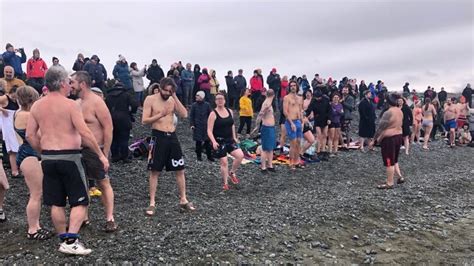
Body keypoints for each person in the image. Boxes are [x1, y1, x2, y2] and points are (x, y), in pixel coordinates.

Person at [26, 66, 109, 255]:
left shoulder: (37, 105)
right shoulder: (70, 105)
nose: (70, 86)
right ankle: (71, 241)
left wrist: (43, 151)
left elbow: (30, 135)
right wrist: (100, 154)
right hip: (70, 157)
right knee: (80, 201)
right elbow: (85, 132)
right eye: (69, 82)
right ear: (62, 83)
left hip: (48, 158)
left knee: (56, 202)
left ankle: (63, 239)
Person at [70, 71, 117, 232]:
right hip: (78, 150)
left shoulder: (97, 102)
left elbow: (108, 127)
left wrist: (105, 152)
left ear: (82, 84)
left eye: (73, 83)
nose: (71, 86)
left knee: (103, 183)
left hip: (97, 149)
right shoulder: (76, 103)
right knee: (81, 184)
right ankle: (84, 217)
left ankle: (110, 218)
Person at [142, 77, 195, 216]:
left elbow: (184, 114)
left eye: (170, 91)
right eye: (165, 90)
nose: (167, 93)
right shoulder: (150, 99)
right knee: (154, 171)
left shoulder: (172, 99)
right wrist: (160, 115)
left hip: (172, 136)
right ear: (160, 88)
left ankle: (183, 199)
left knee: (180, 169)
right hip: (157, 136)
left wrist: (175, 97)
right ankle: (152, 202)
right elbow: (144, 120)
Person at [14, 85, 53, 239]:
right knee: (35, 193)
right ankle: (32, 229)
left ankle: (36, 225)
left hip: (28, 153)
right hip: (29, 154)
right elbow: (36, 134)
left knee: (37, 193)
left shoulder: (20, 113)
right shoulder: (26, 115)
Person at [207, 92, 244, 190]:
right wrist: (214, 142)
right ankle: (225, 183)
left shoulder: (229, 111)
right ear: (215, 101)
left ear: (224, 100)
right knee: (224, 162)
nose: (219, 100)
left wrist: (234, 136)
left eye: (221, 99)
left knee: (240, 155)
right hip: (219, 141)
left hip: (229, 139)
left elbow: (232, 124)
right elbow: (209, 130)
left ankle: (231, 173)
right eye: (218, 99)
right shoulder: (213, 114)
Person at [374, 93, 404, 189]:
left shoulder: (388, 112)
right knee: (394, 159)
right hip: (399, 136)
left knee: (389, 161)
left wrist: (374, 139)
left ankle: (389, 183)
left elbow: (381, 127)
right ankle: (397, 177)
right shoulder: (400, 111)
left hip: (390, 139)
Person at [105, 81, 138, 163]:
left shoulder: (109, 96)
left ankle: (115, 156)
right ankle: (124, 157)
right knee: (124, 139)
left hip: (111, 119)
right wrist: (132, 112)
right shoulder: (126, 95)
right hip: (124, 118)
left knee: (114, 138)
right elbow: (134, 104)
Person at [252, 89, 276, 172]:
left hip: (271, 128)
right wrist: (256, 125)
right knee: (265, 148)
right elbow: (260, 114)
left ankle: (270, 165)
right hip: (266, 128)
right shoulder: (266, 103)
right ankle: (263, 167)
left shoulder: (269, 102)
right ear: (274, 95)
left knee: (271, 148)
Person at [0, 85, 21, 178]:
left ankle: (19, 168)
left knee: (19, 147)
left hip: (16, 126)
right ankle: (14, 171)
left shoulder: (18, 100)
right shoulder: (5, 98)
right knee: (12, 150)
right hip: (8, 127)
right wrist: (2, 110)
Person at [283, 80, 304, 169]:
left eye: (294, 85)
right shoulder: (287, 98)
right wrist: (291, 123)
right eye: (291, 86)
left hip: (298, 121)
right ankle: (291, 162)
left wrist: (302, 121)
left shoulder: (300, 98)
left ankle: (296, 161)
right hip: (290, 121)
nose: (293, 87)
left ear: (297, 87)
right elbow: (285, 111)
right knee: (293, 143)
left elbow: (301, 110)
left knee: (299, 142)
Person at [306, 90, 331, 159]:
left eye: (319, 97)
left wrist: (329, 118)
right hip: (317, 119)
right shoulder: (313, 101)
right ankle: (318, 150)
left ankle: (323, 150)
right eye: (317, 97)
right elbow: (309, 109)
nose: (318, 99)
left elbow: (329, 109)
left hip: (325, 119)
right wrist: (304, 114)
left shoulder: (326, 100)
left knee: (325, 135)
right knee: (319, 135)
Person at [190, 91, 214, 161]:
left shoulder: (207, 105)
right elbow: (191, 116)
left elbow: (211, 115)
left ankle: (209, 157)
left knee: (207, 143)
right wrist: (192, 124)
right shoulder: (194, 105)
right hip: (197, 126)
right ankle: (199, 157)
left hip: (206, 126)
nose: (196, 97)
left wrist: (211, 125)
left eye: (197, 95)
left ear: (202, 97)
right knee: (198, 143)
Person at [300, 90, 315, 157]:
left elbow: (304, 116)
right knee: (309, 139)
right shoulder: (299, 105)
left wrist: (308, 123)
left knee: (311, 139)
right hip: (300, 125)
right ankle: (300, 153)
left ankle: (301, 152)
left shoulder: (311, 101)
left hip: (306, 122)